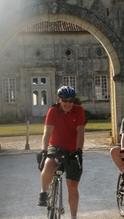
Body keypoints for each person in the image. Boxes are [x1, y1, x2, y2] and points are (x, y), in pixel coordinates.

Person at [36, 86, 85, 219]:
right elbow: (47, 133)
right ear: (59, 99)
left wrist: (79, 151)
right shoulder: (53, 111)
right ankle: (44, 192)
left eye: (71, 101)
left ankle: (73, 216)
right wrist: (44, 151)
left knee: (72, 186)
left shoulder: (78, 110)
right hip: (56, 146)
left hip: (73, 149)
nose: (68, 103)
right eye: (65, 100)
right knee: (49, 164)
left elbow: (80, 132)